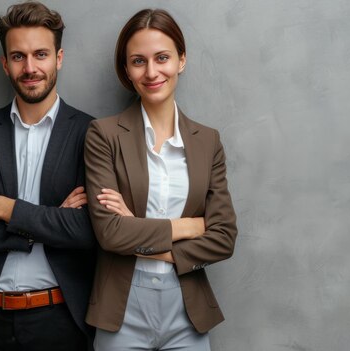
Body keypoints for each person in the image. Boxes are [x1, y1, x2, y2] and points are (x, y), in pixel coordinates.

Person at [0, 2, 96, 350]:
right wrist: (48, 223)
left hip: (60, 319)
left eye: (40, 54)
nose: (30, 67)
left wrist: (7, 209)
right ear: (5, 64)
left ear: (59, 58)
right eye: (18, 56)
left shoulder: (92, 134)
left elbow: (89, 229)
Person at [84, 8, 238, 351]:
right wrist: (190, 226)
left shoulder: (208, 140)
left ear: (181, 60)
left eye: (162, 58)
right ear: (126, 69)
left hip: (188, 310)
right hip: (121, 308)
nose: (151, 72)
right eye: (138, 61)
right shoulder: (103, 135)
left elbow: (224, 237)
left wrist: (139, 231)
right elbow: (110, 233)